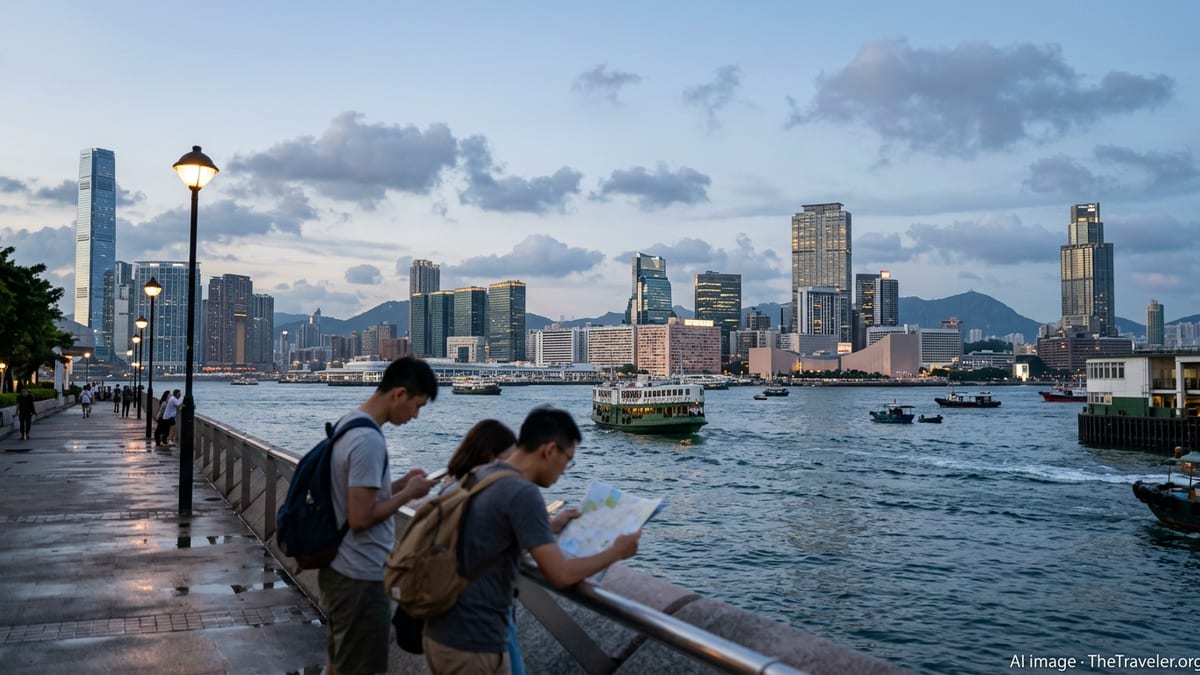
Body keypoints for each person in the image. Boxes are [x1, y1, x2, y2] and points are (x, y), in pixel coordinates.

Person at [423, 407, 641, 674]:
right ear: (550, 450)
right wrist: (616, 551)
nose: (565, 470)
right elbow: (559, 575)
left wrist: (549, 527)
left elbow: (490, 535)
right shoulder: (522, 492)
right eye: (568, 459)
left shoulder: (482, 473)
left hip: (442, 630)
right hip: (474, 641)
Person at [322, 357, 440, 675]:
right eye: (416, 406)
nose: (415, 416)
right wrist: (409, 494)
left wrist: (399, 484)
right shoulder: (368, 440)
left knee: (338, 663)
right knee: (359, 667)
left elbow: (355, 496)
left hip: (339, 568)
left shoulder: (350, 422)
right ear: (399, 394)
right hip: (358, 575)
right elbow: (361, 517)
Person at [439, 419, 526, 674]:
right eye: (509, 457)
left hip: (449, 618)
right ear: (491, 456)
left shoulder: (452, 486)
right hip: (481, 618)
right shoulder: (482, 494)